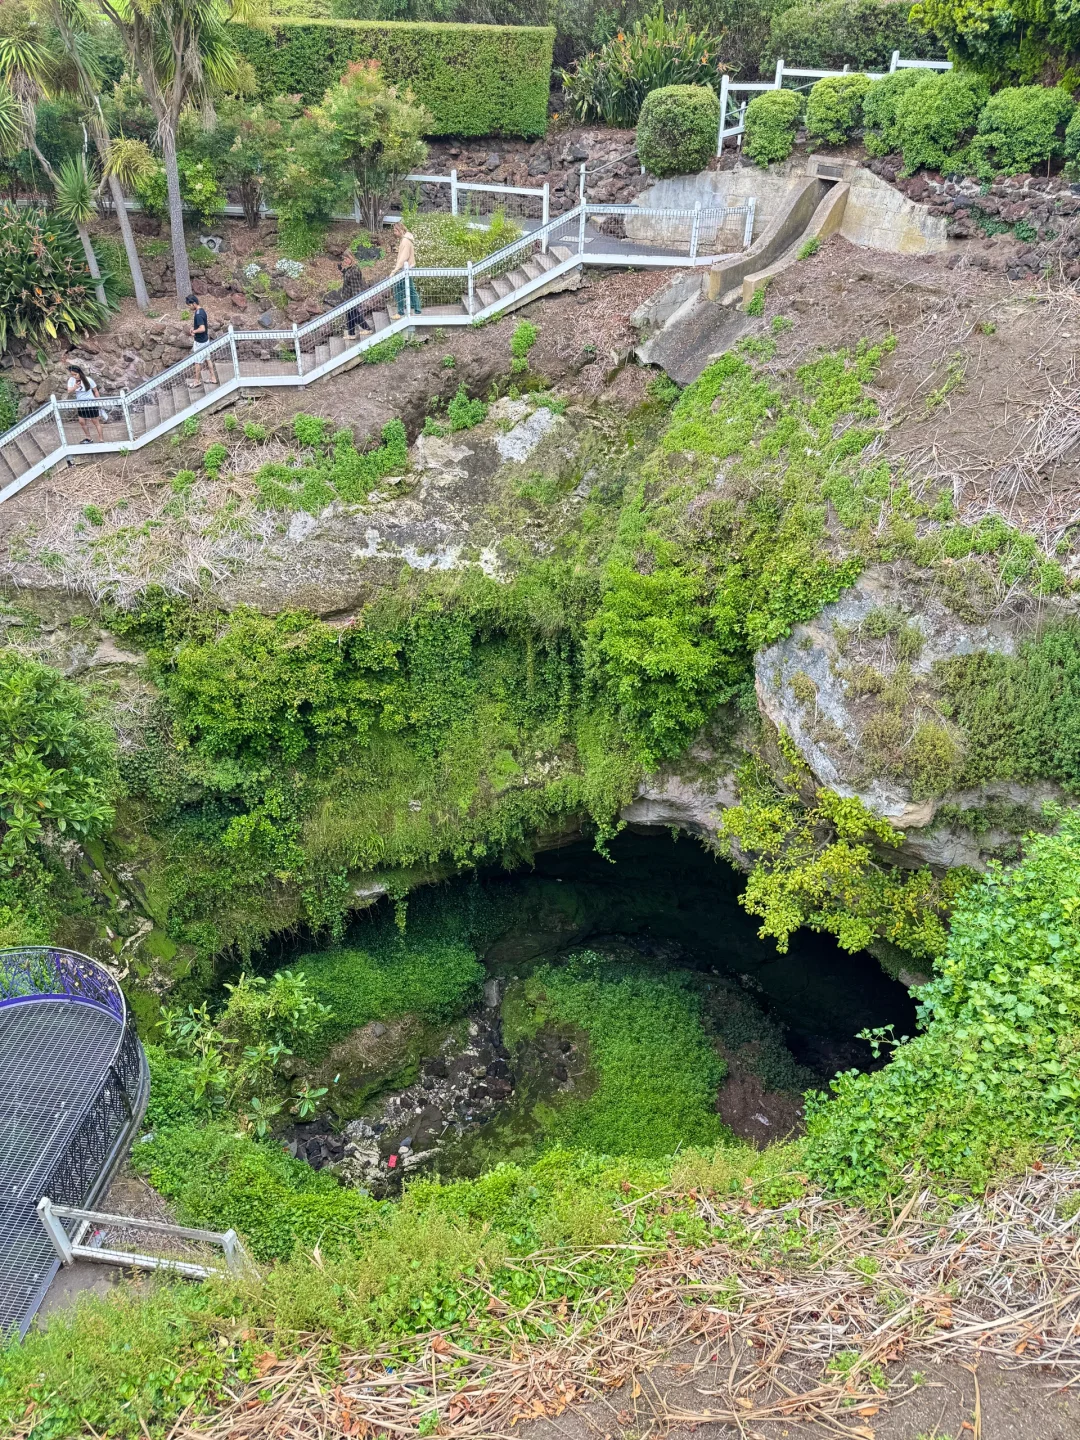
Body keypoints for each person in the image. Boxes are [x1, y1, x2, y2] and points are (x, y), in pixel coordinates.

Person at [388, 222, 421, 320]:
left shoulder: (405, 241)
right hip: (407, 268)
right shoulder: (405, 240)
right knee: (409, 289)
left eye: (395, 230)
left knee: (399, 289)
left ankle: (401, 312)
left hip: (406, 269)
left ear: (400, 230)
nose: (394, 233)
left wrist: (395, 270)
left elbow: (403, 257)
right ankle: (417, 309)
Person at [66, 363, 103, 443]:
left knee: (95, 421)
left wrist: (98, 402)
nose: (74, 376)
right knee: (81, 421)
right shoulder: (71, 380)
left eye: (75, 374)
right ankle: (88, 438)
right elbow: (69, 391)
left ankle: (101, 439)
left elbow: (95, 391)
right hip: (80, 403)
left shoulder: (88, 380)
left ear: (79, 373)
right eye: (72, 375)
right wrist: (75, 387)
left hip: (90, 403)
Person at [186, 293, 218, 387]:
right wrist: (194, 328)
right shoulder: (202, 311)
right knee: (208, 359)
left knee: (197, 362)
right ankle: (213, 378)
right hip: (205, 340)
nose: (189, 307)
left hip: (200, 343)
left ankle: (197, 381)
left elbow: (202, 328)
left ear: (194, 303)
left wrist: (194, 331)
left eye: (189, 305)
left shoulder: (198, 315)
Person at [339, 249, 370, 338]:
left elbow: (355, 286)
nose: (345, 261)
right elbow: (348, 278)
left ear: (351, 257)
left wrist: (355, 299)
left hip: (352, 297)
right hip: (348, 296)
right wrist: (342, 270)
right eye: (344, 259)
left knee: (354, 315)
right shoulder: (350, 268)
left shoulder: (354, 270)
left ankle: (367, 329)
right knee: (349, 315)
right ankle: (351, 334)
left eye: (347, 259)